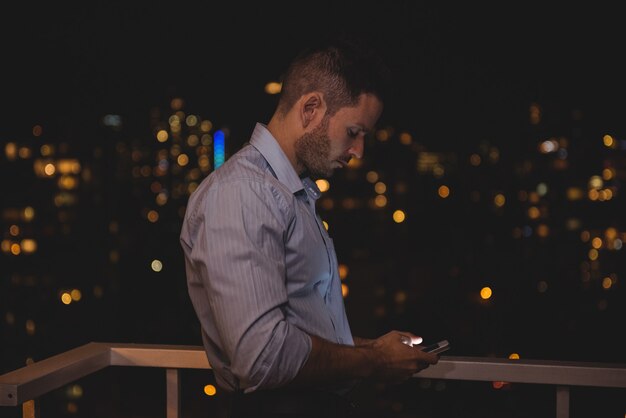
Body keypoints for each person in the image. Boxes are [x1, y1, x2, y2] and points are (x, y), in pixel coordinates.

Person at [179, 35, 440, 418]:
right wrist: (375, 363)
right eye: (354, 132)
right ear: (311, 108)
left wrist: (372, 350)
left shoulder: (288, 194)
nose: (358, 152)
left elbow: (299, 326)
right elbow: (262, 356)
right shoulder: (244, 194)